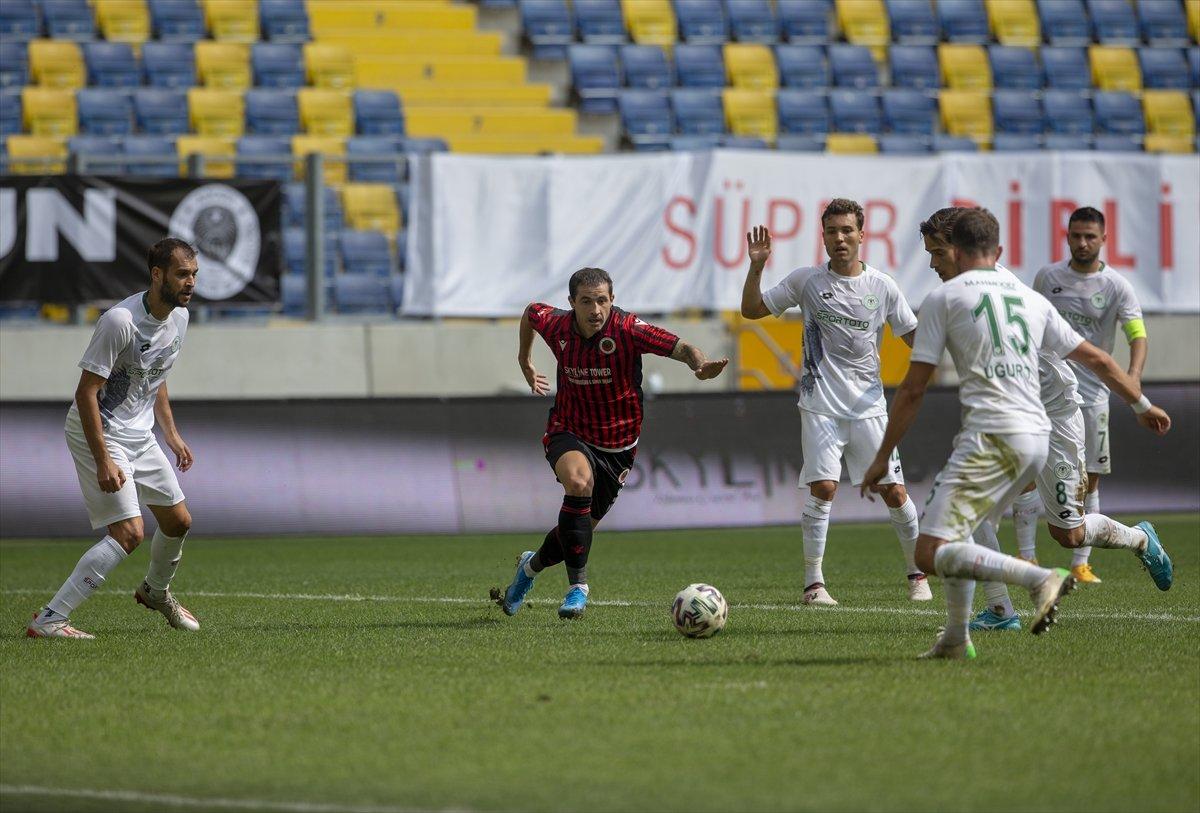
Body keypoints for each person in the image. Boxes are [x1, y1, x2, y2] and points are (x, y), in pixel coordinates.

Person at [861, 209, 1170, 660]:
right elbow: (1100, 360)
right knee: (990, 525)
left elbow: (912, 388)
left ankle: (1044, 577)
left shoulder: (947, 299)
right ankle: (973, 625)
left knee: (944, 546)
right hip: (1035, 430)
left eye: (937, 253)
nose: (931, 264)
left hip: (1039, 420)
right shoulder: (1028, 297)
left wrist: (882, 454)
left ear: (961, 249)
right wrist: (1141, 405)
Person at [492, 267, 728, 619]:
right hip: (568, 428)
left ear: (612, 300)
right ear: (571, 303)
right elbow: (530, 312)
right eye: (586, 301)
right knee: (578, 483)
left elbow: (680, 346)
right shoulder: (557, 325)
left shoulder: (628, 329)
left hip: (617, 448)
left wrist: (700, 364)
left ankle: (529, 568)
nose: (595, 310)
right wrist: (524, 359)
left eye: (602, 300)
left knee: (576, 533)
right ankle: (578, 588)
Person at [739, 200, 930, 606]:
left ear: (862, 235)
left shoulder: (882, 286)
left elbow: (912, 336)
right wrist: (757, 266)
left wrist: (949, 334)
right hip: (820, 402)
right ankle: (814, 585)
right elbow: (752, 310)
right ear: (822, 236)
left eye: (847, 230)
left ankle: (917, 574)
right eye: (832, 231)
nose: (839, 238)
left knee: (893, 491)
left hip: (869, 407)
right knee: (824, 486)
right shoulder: (806, 280)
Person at [26, 238, 201, 639]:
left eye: (193, 274)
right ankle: (50, 619)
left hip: (139, 433)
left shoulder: (180, 319)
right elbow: (86, 393)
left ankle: (155, 592)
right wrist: (103, 458)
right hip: (101, 431)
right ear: (157, 275)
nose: (190, 282)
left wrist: (171, 434)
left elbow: (157, 376)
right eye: (182, 274)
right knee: (129, 533)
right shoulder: (119, 321)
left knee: (178, 522)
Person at [1026, 206, 1149, 584]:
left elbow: (1136, 334)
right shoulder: (1048, 277)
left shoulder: (1116, 286)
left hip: (1092, 395)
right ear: (1067, 237)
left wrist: (1132, 377)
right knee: (1027, 472)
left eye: (1090, 237)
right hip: (1044, 391)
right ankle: (1027, 558)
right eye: (1076, 235)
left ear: (1104, 240)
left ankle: (1081, 563)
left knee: (1090, 479)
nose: (1082, 243)